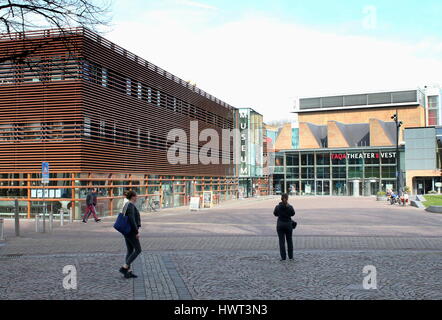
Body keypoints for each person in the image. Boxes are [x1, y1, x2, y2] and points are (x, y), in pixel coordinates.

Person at [119, 190, 142, 279]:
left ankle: (128, 272)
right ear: (132, 197)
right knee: (138, 250)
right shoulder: (130, 206)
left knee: (130, 250)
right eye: (136, 196)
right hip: (131, 231)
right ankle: (124, 267)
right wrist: (136, 232)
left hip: (127, 231)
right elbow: (132, 220)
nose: (137, 197)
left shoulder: (127, 205)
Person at [273, 193, 295, 261]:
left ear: (281, 198)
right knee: (289, 241)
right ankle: (290, 257)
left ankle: (283, 257)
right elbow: (293, 213)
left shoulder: (277, 207)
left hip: (280, 225)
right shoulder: (290, 207)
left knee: (281, 242)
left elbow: (275, 214)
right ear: (287, 198)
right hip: (288, 225)